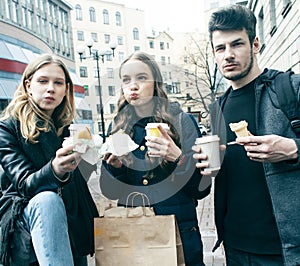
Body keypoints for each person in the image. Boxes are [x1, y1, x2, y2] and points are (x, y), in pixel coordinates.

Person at [193, 4, 300, 266]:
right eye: (220, 48)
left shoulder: (289, 88)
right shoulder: (217, 107)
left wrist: (293, 150)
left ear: (255, 44)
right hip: (236, 246)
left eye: (237, 44)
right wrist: (205, 168)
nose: (228, 55)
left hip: (286, 248)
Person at [100, 51, 211, 266]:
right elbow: (110, 191)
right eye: (126, 80)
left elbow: (201, 189)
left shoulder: (182, 122)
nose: (133, 86)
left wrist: (177, 157)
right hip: (134, 232)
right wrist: (116, 168)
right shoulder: (118, 127)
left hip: (179, 231)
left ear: (156, 83)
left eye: (141, 78)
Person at [0, 54, 99, 266]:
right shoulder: (7, 128)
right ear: (28, 86)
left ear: (66, 90)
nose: (51, 88)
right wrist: (55, 169)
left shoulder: (70, 128)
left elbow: (81, 182)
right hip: (27, 223)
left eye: (58, 83)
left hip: (71, 222)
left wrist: (98, 158)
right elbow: (25, 185)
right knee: (48, 200)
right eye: (43, 81)